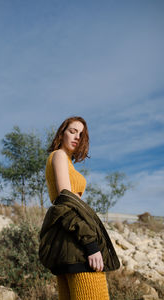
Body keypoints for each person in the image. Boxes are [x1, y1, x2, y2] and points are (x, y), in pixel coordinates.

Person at [39, 116, 120, 300]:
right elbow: (66, 206)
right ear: (62, 133)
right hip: (77, 244)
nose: (77, 137)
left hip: (68, 243)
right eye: (72, 131)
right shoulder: (59, 155)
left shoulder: (66, 161)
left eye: (81, 134)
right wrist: (91, 245)